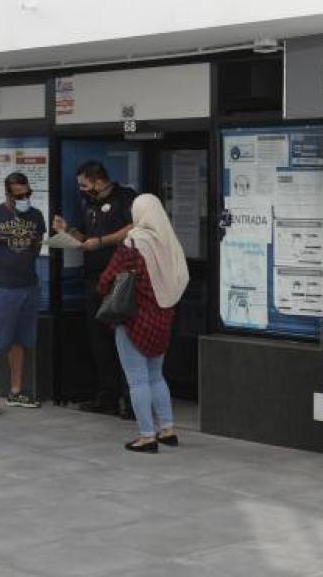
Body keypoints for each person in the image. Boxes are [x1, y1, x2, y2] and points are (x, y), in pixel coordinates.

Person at [97, 194, 188, 452]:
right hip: (162, 318)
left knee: (137, 380)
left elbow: (106, 280)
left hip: (134, 320)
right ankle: (167, 430)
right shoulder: (169, 243)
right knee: (157, 376)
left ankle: (147, 436)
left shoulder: (133, 243)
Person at [51, 161, 137, 416]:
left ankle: (130, 399)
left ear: (99, 181)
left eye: (84, 185)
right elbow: (83, 238)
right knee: (99, 341)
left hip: (121, 280)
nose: (81, 190)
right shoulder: (88, 203)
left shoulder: (125, 197)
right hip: (93, 280)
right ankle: (107, 396)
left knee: (125, 340)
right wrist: (66, 230)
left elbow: (134, 227)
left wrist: (101, 242)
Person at [0, 172, 47, 415]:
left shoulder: (36, 216)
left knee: (21, 340)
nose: (24, 199)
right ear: (8, 195)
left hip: (28, 286)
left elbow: (36, 246)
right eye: (18, 196)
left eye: (27, 194)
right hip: (3, 289)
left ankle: (16, 391)